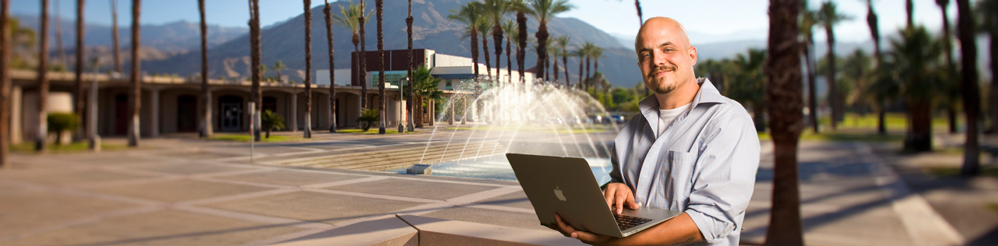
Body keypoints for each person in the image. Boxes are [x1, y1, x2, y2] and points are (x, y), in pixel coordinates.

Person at [550, 17, 760, 245]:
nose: (657, 60)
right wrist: (616, 189)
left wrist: (616, 244)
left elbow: (712, 218)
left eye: (667, 49)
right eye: (646, 54)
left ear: (691, 55)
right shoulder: (630, 130)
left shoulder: (727, 120)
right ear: (640, 66)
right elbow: (620, 190)